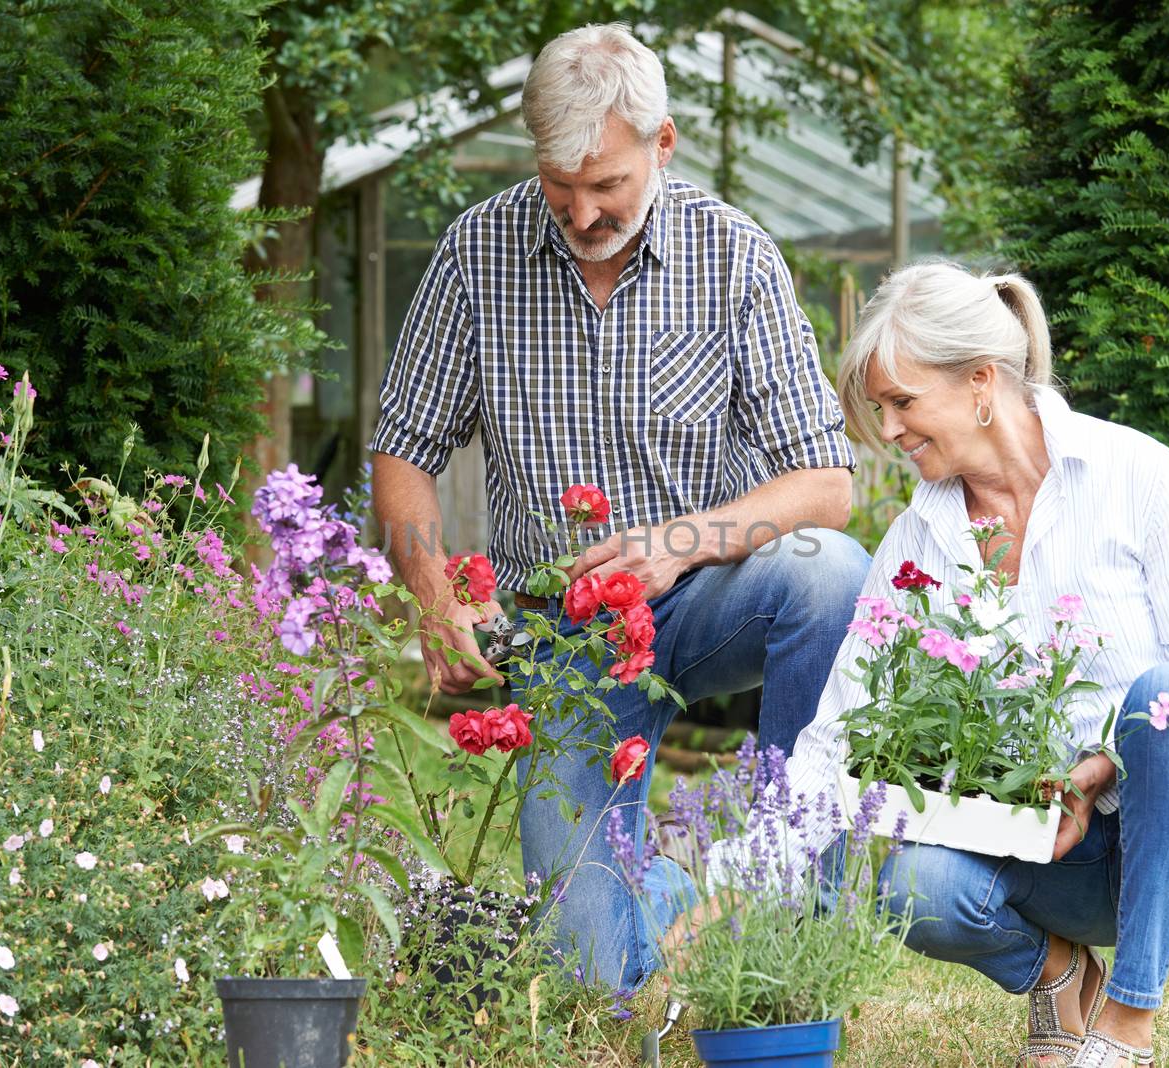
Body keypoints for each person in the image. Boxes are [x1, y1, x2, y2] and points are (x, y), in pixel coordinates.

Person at [368, 23, 870, 989]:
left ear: (663, 145)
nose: (583, 212)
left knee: (829, 580)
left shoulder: (735, 258)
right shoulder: (479, 250)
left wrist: (681, 544)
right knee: (588, 972)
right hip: (562, 637)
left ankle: (799, 908)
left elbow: (827, 483)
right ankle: (679, 893)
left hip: (706, 593)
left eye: (608, 186)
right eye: (561, 188)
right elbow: (405, 449)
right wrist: (433, 593)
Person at [699, 261, 1169, 1067]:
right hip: (1056, 857)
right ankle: (1059, 973)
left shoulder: (1147, 483)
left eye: (902, 402)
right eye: (880, 409)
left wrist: (1094, 772)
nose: (891, 430)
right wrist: (739, 869)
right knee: (912, 884)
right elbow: (835, 729)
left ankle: (1127, 1023)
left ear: (980, 382)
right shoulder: (919, 541)